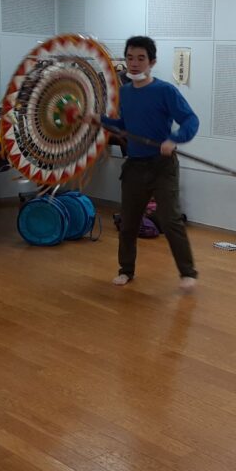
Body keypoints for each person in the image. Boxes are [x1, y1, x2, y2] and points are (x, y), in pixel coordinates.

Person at [88, 36, 199, 291]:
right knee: (129, 222)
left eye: (141, 58)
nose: (134, 63)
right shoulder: (125, 93)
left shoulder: (165, 91)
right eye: (130, 58)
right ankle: (126, 270)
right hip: (135, 166)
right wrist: (99, 119)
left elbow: (191, 120)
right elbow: (124, 125)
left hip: (162, 165)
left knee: (170, 220)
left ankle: (188, 272)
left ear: (152, 62)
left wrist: (174, 139)